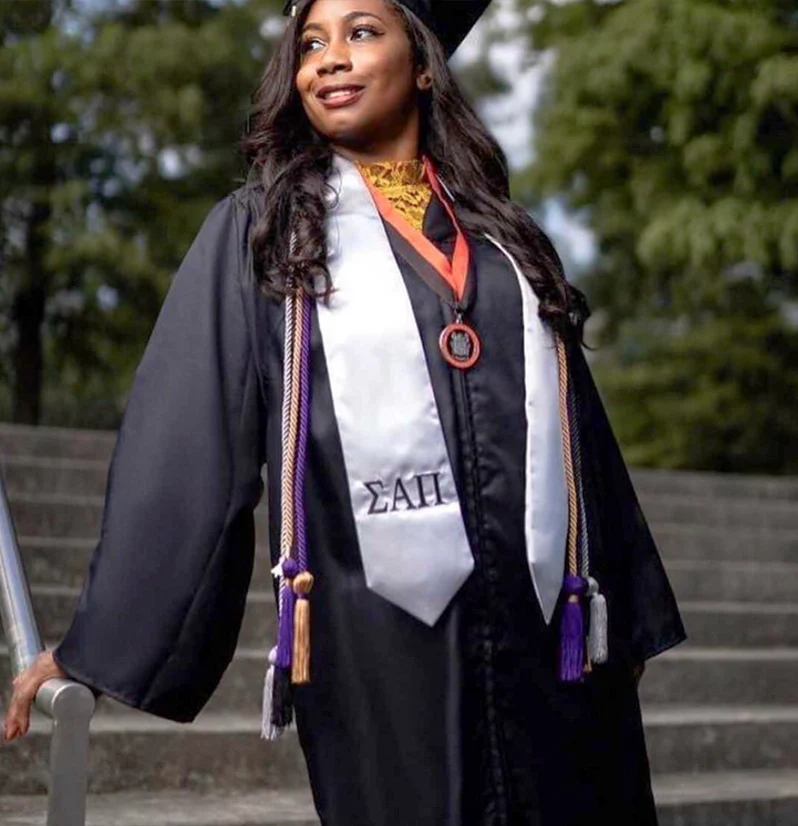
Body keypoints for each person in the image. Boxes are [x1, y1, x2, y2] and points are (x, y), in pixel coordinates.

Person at [4, 0, 687, 823]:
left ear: (424, 64)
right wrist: (98, 647)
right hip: (385, 648)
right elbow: (191, 449)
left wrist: (627, 621)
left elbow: (583, 448)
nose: (327, 59)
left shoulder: (507, 247)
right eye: (311, 43)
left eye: (361, 33)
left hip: (554, 653)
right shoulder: (268, 236)